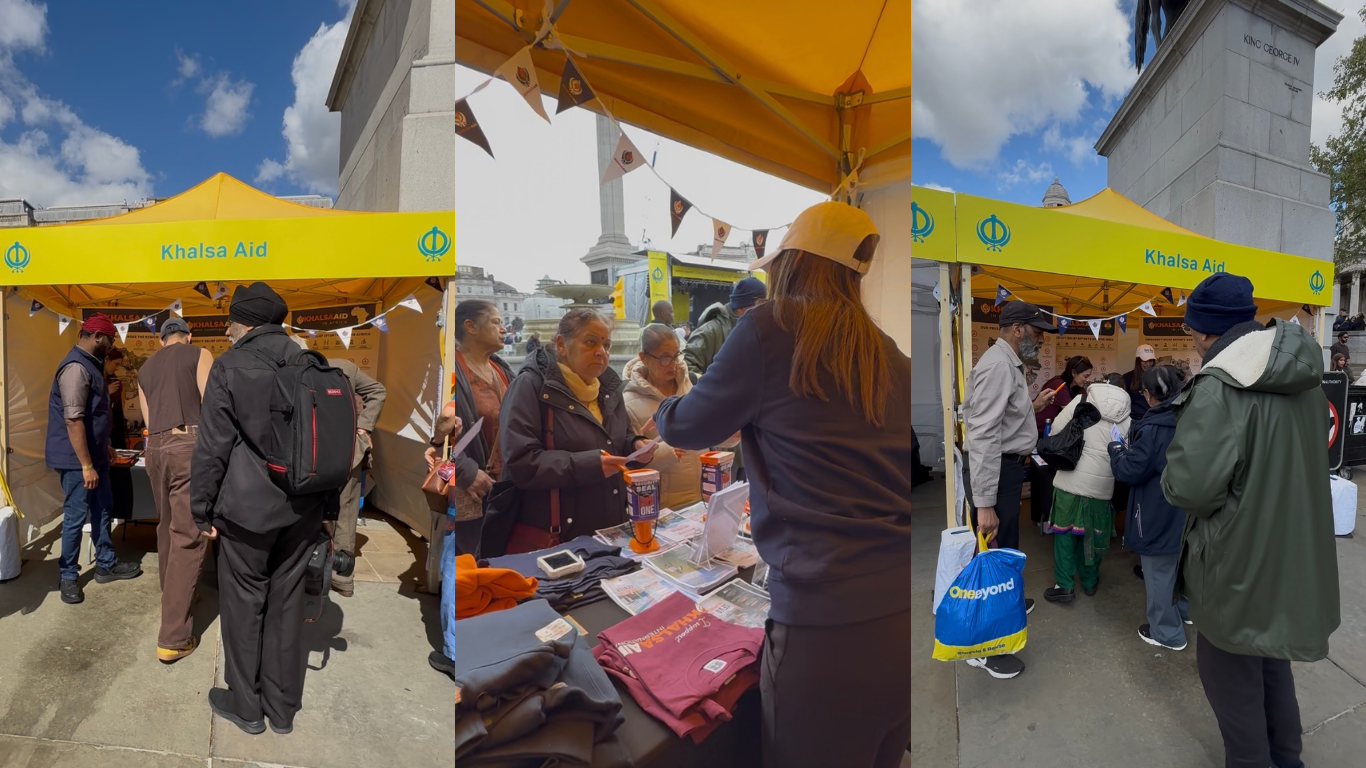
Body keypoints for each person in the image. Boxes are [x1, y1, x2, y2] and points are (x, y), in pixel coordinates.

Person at [654, 201, 914, 768]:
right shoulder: (891, 355)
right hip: (903, 613)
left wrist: (663, 399)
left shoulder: (768, 329)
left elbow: (685, 425)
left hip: (825, 625)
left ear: (792, 264)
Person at [1161, 273, 1339, 768]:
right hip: (1291, 551)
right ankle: (1287, 758)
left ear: (1203, 331)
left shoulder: (1218, 387)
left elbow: (1189, 489)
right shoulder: (1305, 376)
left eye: (1190, 329)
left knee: (1231, 684)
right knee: (1272, 666)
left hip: (1236, 564)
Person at [192, 283, 341, 736]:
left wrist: (201, 509)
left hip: (247, 512)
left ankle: (247, 707)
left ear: (244, 323)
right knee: (286, 606)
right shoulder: (311, 362)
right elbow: (329, 442)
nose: (226, 330)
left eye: (229, 322)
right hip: (304, 508)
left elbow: (212, 447)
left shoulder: (230, 365)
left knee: (243, 606)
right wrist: (329, 508)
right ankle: (281, 709)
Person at [499, 308, 656, 548]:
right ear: (561, 345)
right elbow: (520, 462)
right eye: (591, 342)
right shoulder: (531, 386)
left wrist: (635, 445)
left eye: (606, 345)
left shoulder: (608, 388)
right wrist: (590, 465)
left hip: (612, 530)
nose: (601, 352)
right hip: (562, 538)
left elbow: (616, 439)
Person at [960, 300, 1057, 677]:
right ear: (1017, 329)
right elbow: (983, 434)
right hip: (995, 472)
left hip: (1005, 470)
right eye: (1036, 332)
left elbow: (1003, 420)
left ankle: (1008, 603)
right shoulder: (1000, 366)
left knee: (1005, 551)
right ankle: (986, 647)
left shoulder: (1008, 363)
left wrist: (1032, 405)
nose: (1041, 340)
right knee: (993, 554)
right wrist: (985, 504)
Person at [425, 299, 509, 678]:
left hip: (501, 489)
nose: (503, 327)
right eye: (495, 321)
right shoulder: (456, 372)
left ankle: (480, 635)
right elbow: (445, 431)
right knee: (459, 563)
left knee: (483, 562)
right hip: (468, 490)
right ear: (470, 327)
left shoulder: (500, 368)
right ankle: (455, 652)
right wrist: (468, 469)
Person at [47, 313, 143, 605]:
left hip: (95, 455)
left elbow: (94, 417)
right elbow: (73, 419)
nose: (111, 346)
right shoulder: (76, 367)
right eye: (110, 340)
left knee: (103, 509)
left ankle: (105, 563)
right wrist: (87, 465)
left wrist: (105, 448)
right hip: (77, 461)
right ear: (97, 337)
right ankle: (68, 576)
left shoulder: (91, 364)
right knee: (76, 517)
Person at [137, 316, 213, 662]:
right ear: (189, 336)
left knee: (167, 527)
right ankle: (174, 636)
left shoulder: (145, 369)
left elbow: (149, 422)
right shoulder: (199, 354)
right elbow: (213, 407)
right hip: (188, 445)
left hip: (155, 450)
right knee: (187, 534)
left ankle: (173, 599)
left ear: (161, 341)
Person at [1108, 365, 1190, 651]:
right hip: (1186, 506)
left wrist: (1116, 450)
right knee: (1180, 566)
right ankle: (1185, 612)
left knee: (1158, 573)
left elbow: (1130, 471)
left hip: (1157, 509)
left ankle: (1167, 633)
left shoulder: (1154, 428)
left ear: (1148, 395)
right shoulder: (1191, 416)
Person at [1042, 376, 1130, 604]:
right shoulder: (1126, 414)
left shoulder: (1081, 400)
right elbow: (1125, 451)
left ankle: (1064, 586)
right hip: (1101, 489)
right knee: (1092, 537)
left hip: (1069, 482)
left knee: (1064, 537)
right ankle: (1090, 582)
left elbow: (1056, 431)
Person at [621, 324, 704, 510]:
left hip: (703, 495)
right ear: (643, 357)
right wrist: (667, 452)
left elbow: (709, 432)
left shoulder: (692, 385)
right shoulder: (628, 402)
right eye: (665, 358)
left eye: (676, 355)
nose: (673, 364)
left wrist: (731, 433)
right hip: (663, 507)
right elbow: (631, 464)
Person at [325, 357, 386, 598]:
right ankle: (342, 578)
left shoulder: (285, 367)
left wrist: (363, 427)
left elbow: (377, 391)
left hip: (310, 452)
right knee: (346, 511)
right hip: (346, 450)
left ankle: (314, 574)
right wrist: (363, 427)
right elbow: (377, 391)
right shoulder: (342, 366)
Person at [1030, 356, 1092, 534]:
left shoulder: (1078, 388)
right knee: (1044, 475)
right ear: (1073, 372)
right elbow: (1073, 413)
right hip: (1041, 433)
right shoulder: (1059, 385)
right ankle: (1043, 517)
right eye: (1085, 376)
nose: (1087, 380)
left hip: (1055, 436)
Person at [683, 276, 766, 380]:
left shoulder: (756, 328)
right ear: (742, 306)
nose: (765, 310)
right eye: (761, 305)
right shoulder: (710, 331)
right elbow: (686, 367)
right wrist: (713, 386)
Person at [103, 346, 135, 520]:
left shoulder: (114, 380)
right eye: (115, 364)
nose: (116, 368)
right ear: (106, 360)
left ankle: (120, 509)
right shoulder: (96, 379)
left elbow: (119, 408)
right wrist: (105, 392)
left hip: (114, 431)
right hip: (103, 433)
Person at [1123, 345, 1158, 421]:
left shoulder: (1159, 378)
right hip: (1134, 421)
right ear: (1138, 361)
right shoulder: (1127, 378)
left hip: (1153, 419)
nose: (1148, 364)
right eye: (1145, 361)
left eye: (1150, 360)